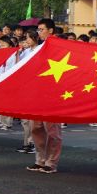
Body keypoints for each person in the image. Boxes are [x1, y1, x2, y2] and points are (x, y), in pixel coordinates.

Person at [28, 20, 63, 173]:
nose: (39, 32)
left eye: (42, 29)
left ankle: (51, 162)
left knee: (52, 130)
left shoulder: (60, 46)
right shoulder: (38, 49)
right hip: (38, 93)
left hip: (53, 94)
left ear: (51, 30)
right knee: (36, 128)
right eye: (38, 29)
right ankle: (40, 159)